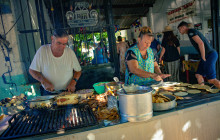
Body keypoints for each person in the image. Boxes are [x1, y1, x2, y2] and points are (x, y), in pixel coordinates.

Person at [29, 29, 82, 95]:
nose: (61, 47)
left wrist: (73, 83)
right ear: (52, 38)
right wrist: (44, 81)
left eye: (64, 44)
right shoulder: (42, 51)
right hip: (49, 93)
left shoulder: (69, 52)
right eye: (59, 43)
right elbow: (32, 70)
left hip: (67, 92)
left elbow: (78, 71)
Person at [178, 21, 220, 88]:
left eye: (180, 29)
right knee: (198, 75)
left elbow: (201, 43)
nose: (179, 31)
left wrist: (203, 56)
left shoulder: (191, 32)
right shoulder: (192, 32)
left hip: (209, 55)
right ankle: (203, 90)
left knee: (211, 80)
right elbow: (206, 41)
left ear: (183, 27)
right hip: (207, 55)